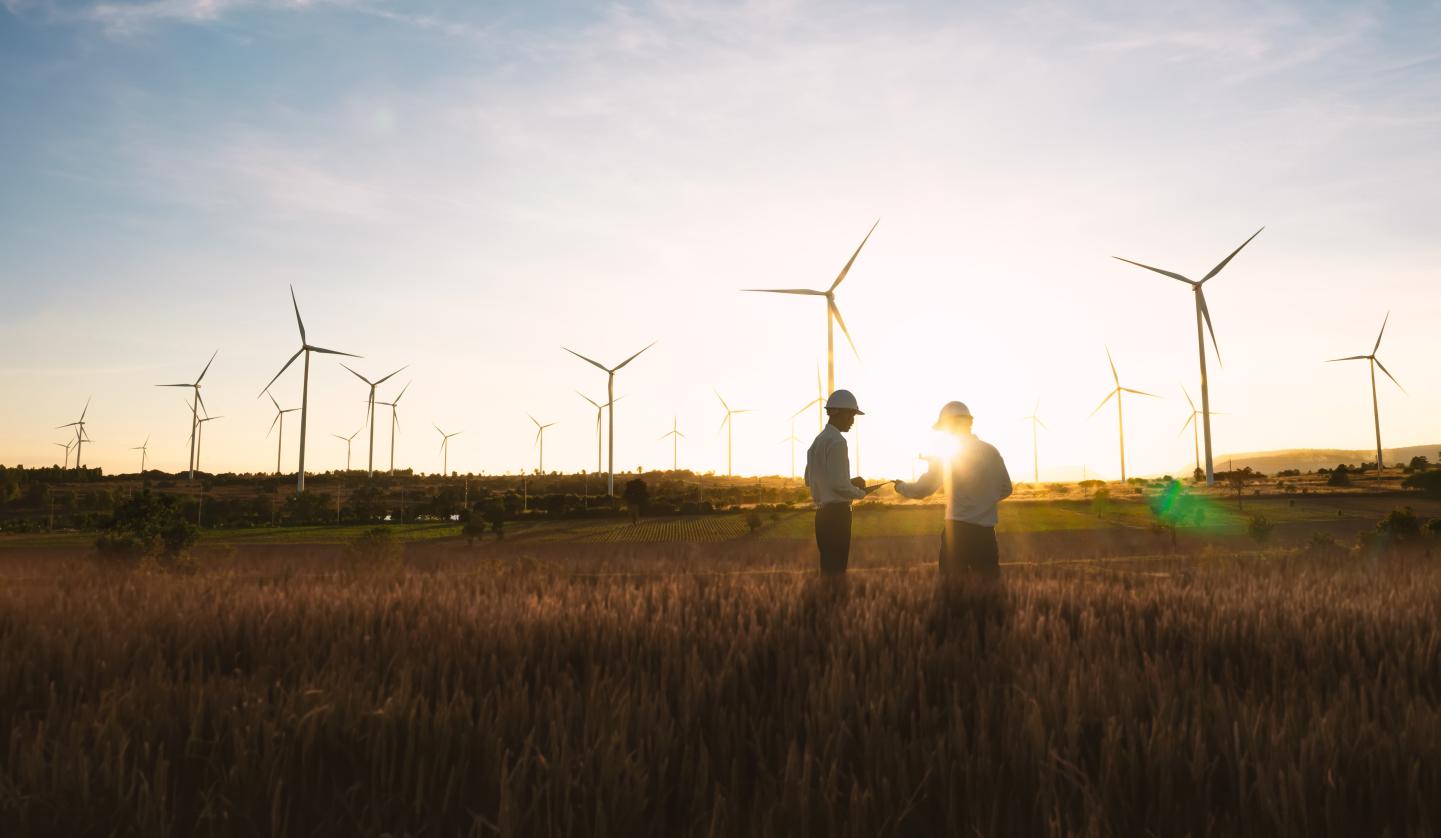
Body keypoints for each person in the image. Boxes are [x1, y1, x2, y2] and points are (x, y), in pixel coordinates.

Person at [894, 401, 1013, 579]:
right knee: (989, 592)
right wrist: (983, 501)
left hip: (957, 533)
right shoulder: (991, 452)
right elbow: (1006, 488)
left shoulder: (947, 455)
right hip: (986, 535)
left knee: (952, 591)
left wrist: (900, 486)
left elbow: (923, 489)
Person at [804, 389, 870, 576]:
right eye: (851, 415)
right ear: (839, 413)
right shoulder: (838, 442)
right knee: (837, 572)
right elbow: (839, 486)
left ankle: (826, 604)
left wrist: (847, 481)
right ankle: (835, 604)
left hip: (822, 517)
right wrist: (860, 492)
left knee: (827, 570)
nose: (852, 421)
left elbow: (810, 480)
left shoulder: (817, 442)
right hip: (838, 517)